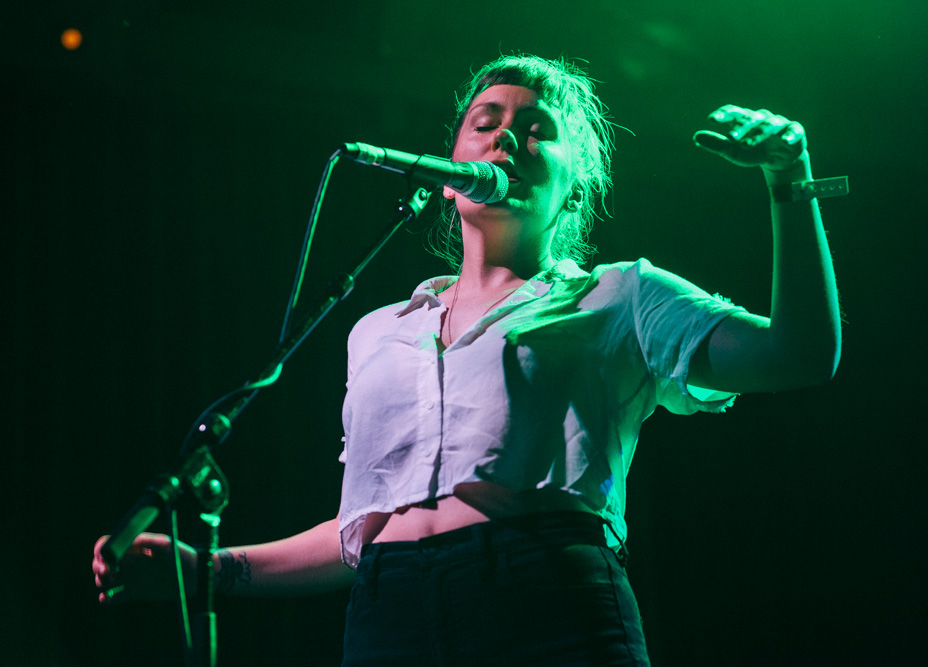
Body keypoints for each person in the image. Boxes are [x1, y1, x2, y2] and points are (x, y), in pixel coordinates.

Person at [93, 55, 841, 666]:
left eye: (537, 128)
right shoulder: (379, 331)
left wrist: (790, 179)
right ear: (449, 167)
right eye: (486, 122)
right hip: (389, 618)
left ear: (574, 179)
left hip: (547, 600)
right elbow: (366, 525)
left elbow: (800, 352)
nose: (505, 138)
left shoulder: (620, 298)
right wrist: (212, 572)